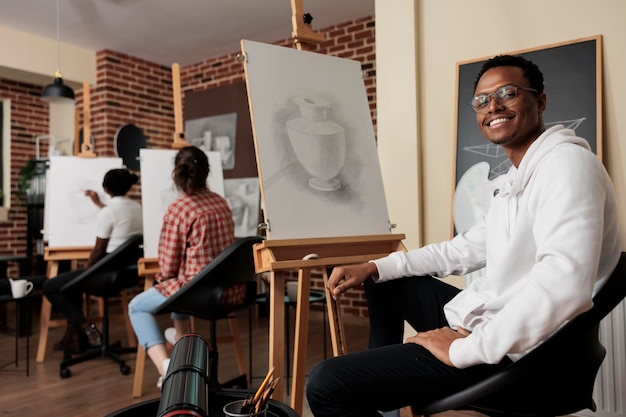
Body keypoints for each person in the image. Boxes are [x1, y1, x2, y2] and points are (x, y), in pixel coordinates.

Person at [306, 54, 622, 417]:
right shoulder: (515, 180)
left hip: (525, 353)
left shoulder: (567, 166)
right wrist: (375, 265)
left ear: (541, 101)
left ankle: (374, 390)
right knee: (384, 281)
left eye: (508, 93)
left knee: (326, 383)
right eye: (483, 100)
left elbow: (563, 286)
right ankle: (384, 400)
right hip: (496, 324)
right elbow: (462, 248)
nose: (494, 107)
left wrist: (461, 350)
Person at [128, 145, 235, 388]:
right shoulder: (221, 203)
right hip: (226, 290)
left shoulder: (180, 209)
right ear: (207, 172)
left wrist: (162, 278)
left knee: (137, 306)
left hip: (196, 294)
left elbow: (167, 267)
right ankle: (181, 342)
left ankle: (167, 367)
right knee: (184, 282)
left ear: (177, 174)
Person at [43, 168, 143, 352]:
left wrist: (85, 273)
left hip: (106, 277)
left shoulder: (109, 213)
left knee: (50, 286)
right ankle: (76, 338)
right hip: (127, 276)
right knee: (72, 284)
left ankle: (86, 327)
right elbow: (116, 216)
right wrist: (97, 203)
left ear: (106, 188)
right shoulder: (137, 208)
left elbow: (98, 251)